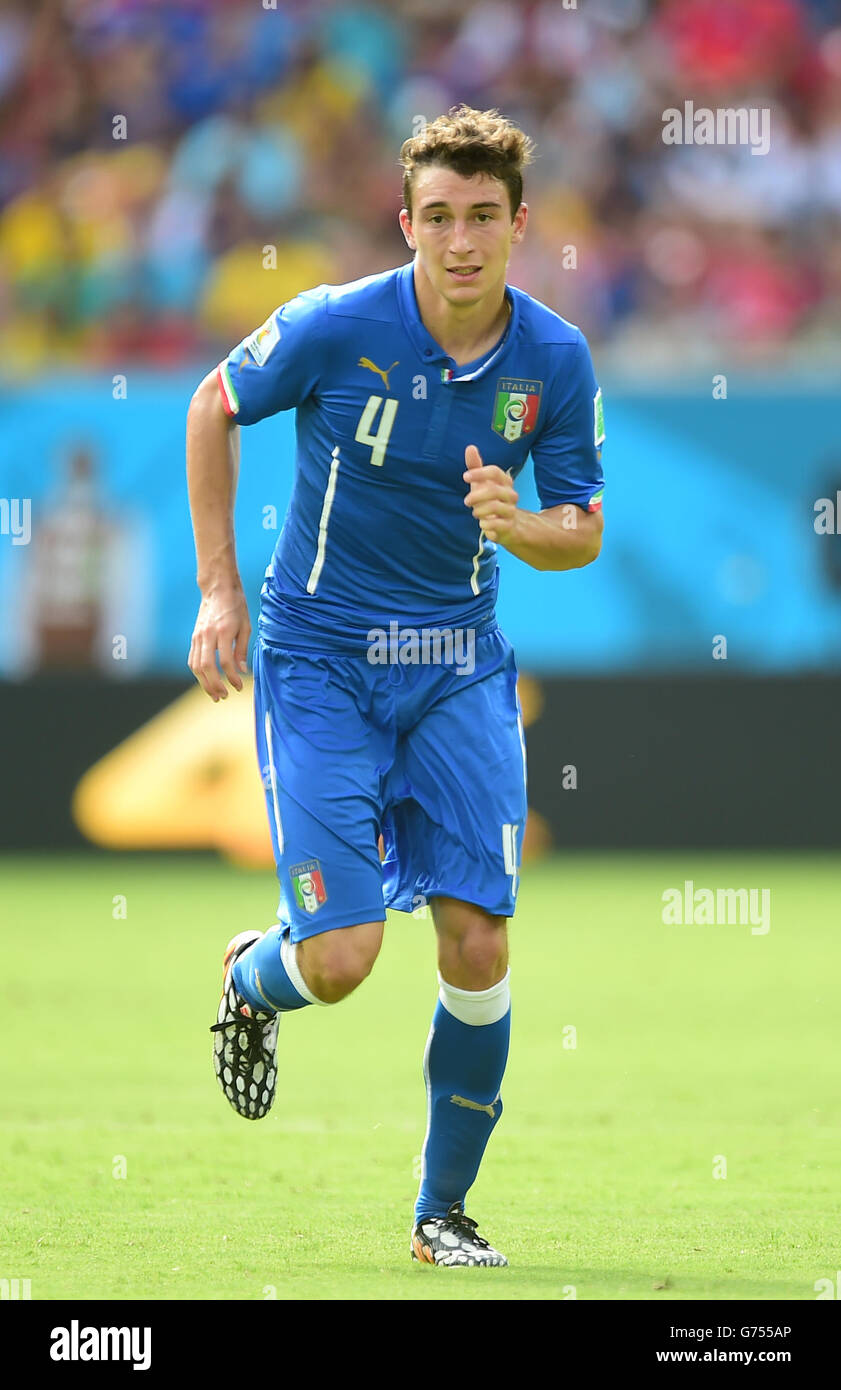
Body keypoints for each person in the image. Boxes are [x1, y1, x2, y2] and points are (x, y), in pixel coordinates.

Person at [186, 105, 604, 1268]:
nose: (460, 241)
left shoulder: (554, 359)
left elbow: (583, 527)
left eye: (482, 217)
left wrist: (524, 528)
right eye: (437, 217)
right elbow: (213, 404)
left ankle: (443, 1213)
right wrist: (218, 590)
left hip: (457, 666)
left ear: (519, 223)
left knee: (477, 945)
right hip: (321, 659)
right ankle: (251, 974)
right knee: (342, 962)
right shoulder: (334, 325)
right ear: (404, 220)